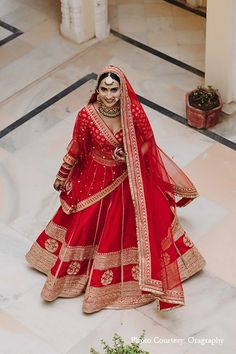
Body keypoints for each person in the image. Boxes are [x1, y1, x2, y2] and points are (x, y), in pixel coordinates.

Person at [26, 65, 205, 313]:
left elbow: (147, 144)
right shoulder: (87, 115)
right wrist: (63, 173)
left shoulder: (132, 112)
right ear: (97, 90)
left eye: (114, 89)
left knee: (132, 226)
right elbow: (77, 147)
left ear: (122, 90)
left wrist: (130, 155)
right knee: (85, 221)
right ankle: (75, 274)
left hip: (127, 179)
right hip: (95, 178)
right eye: (105, 89)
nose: (110, 95)